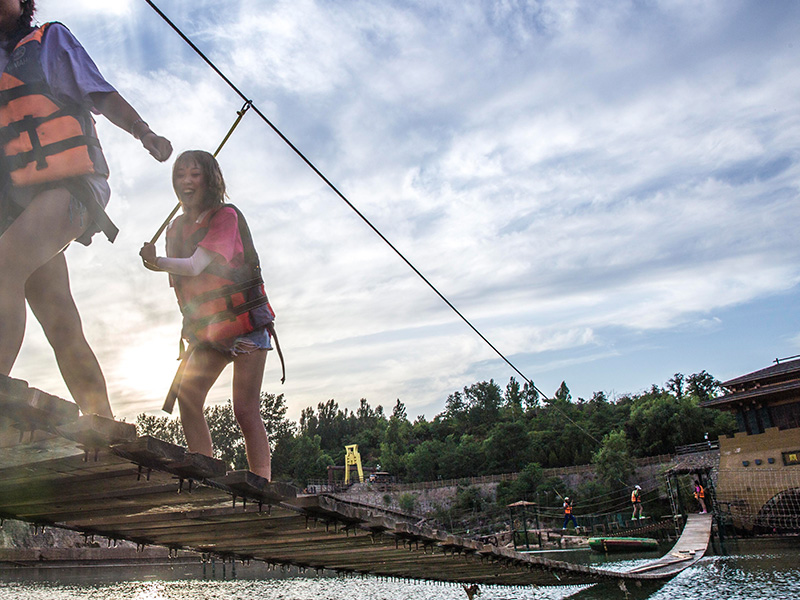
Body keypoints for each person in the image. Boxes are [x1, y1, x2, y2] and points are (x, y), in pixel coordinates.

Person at [0, 1, 172, 417]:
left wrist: (143, 131)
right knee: (60, 321)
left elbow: (100, 93)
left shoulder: (48, 41)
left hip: (73, 187)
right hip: (21, 207)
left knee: (3, 266)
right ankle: (103, 424)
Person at [139, 150, 276, 480]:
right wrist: (157, 263)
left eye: (194, 174)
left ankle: (262, 483)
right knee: (189, 397)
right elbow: (181, 282)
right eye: (180, 175)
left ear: (210, 180)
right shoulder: (176, 228)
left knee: (244, 409)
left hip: (245, 326)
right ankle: (203, 471)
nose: (186, 181)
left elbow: (194, 266)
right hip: (210, 332)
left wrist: (156, 262)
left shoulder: (226, 217)